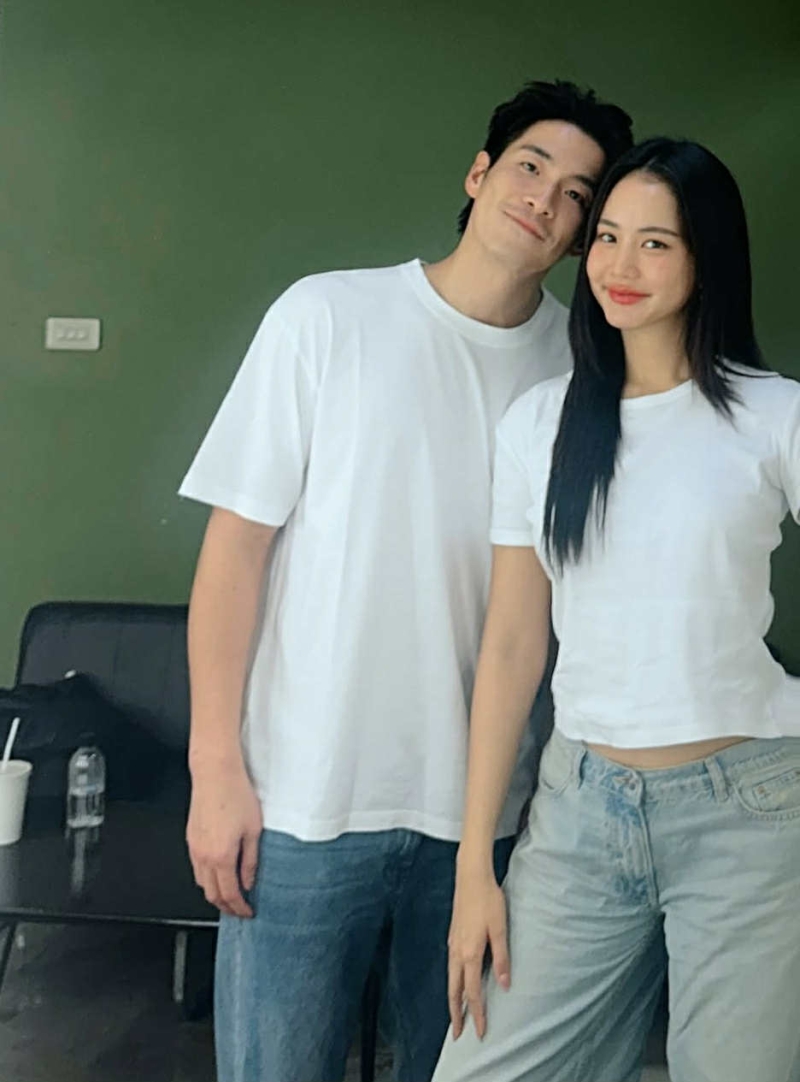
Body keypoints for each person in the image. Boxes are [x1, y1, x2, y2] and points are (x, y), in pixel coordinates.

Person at [179, 80, 633, 1082]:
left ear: (579, 237)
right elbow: (234, 553)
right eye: (529, 167)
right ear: (478, 174)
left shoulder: (585, 375)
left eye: (575, 194)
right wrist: (216, 770)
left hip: (487, 825)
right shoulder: (326, 315)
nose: (544, 198)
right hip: (300, 804)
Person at [434, 137, 800, 1082]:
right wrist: (477, 868)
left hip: (749, 811)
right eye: (606, 237)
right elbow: (513, 646)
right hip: (580, 815)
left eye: (656, 243)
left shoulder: (774, 417)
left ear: (707, 259)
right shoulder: (541, 425)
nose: (619, 265)